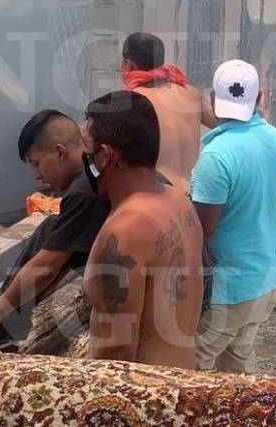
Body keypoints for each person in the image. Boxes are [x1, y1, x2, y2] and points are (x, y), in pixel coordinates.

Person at [0, 110, 110, 347]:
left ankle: (2, 334)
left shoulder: (85, 191)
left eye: (36, 163)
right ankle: (5, 329)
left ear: (60, 152)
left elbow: (45, 269)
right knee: (51, 227)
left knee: (49, 242)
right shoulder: (93, 171)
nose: (36, 175)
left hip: (121, 277)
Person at [81, 90, 204, 368]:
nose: (85, 158)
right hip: (182, 377)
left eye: (88, 150)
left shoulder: (126, 231)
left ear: (105, 156)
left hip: (146, 390)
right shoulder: (178, 202)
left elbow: (117, 350)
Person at [190, 60, 276, 373]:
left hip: (229, 289)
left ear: (212, 97)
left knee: (191, 365)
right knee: (237, 365)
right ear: (260, 97)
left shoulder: (216, 156)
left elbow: (203, 230)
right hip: (265, 281)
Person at [120, 32, 216, 193]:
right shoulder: (191, 94)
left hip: (158, 197)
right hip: (193, 196)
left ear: (128, 64)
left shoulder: (132, 101)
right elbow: (227, 123)